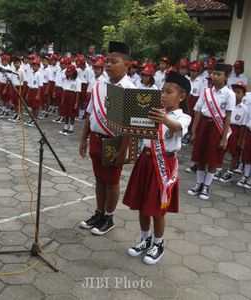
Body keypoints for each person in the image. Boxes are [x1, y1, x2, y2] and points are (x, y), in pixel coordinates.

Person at [123, 71, 191, 265]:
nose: (163, 95)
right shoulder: (152, 109)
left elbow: (177, 127)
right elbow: (135, 127)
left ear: (181, 96)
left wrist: (165, 120)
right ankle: (145, 239)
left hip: (163, 164)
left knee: (158, 208)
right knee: (142, 205)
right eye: (162, 91)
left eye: (168, 92)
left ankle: (158, 243)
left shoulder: (183, 116)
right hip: (144, 161)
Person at [79, 41, 136, 235]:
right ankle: (99, 212)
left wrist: (123, 150)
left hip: (115, 142)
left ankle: (109, 217)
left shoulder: (130, 89)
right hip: (96, 137)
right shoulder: (99, 84)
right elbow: (90, 112)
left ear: (126, 65)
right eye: (107, 61)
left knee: (111, 181)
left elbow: (130, 126)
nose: (109, 65)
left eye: (114, 61)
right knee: (99, 179)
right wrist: (83, 138)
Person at [187, 63, 235, 200]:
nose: (215, 76)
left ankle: (207, 186)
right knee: (200, 156)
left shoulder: (229, 94)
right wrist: (194, 131)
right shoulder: (206, 92)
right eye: (213, 73)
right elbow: (198, 112)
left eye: (219, 74)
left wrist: (224, 137)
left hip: (217, 128)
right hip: (203, 125)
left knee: (213, 159)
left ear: (226, 77)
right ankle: (199, 184)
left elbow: (228, 117)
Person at [218, 81, 249, 183]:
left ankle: (230, 172)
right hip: (226, 127)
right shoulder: (228, 104)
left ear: (244, 94)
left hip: (236, 130)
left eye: (238, 92)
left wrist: (241, 139)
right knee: (221, 149)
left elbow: (243, 126)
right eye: (234, 91)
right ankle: (218, 169)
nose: (235, 94)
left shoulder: (245, 109)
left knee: (234, 152)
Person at [58, 64, 81, 136]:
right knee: (66, 112)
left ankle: (71, 128)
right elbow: (64, 90)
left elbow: (77, 92)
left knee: (72, 113)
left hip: (73, 96)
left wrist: (76, 102)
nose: (69, 75)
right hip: (66, 95)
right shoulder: (66, 79)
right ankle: (65, 127)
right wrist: (62, 99)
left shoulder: (78, 81)